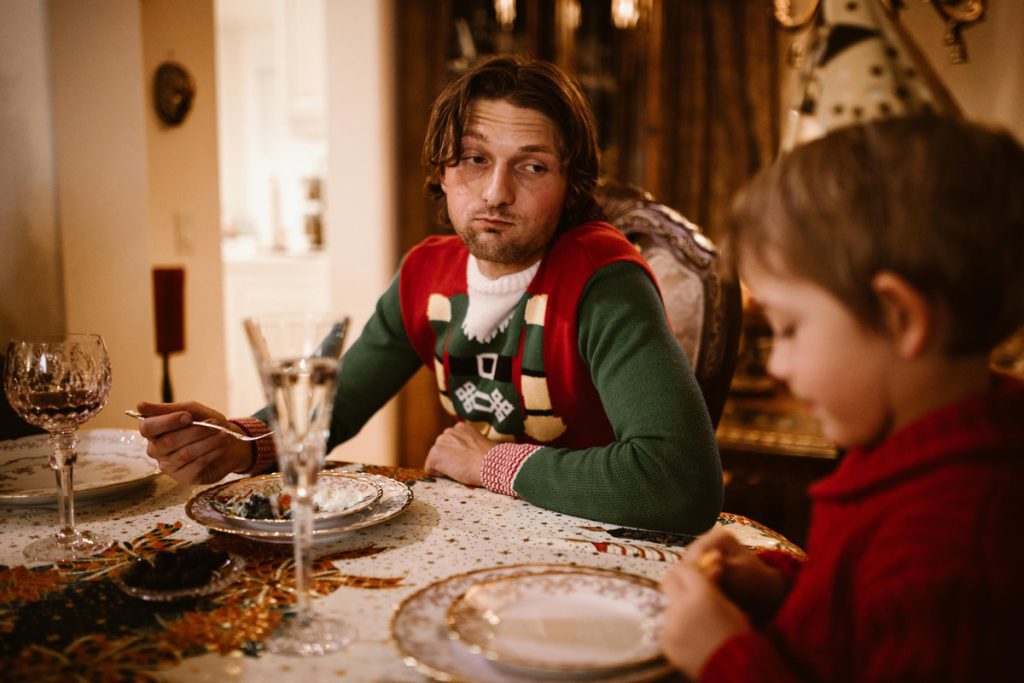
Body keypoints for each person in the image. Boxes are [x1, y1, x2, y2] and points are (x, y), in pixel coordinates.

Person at [137, 56, 722, 534]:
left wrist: (488, 462)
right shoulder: (425, 273)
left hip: (593, 542)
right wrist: (239, 443)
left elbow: (679, 482)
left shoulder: (605, 282)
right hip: (478, 534)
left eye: (534, 167)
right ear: (441, 170)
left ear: (571, 187)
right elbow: (337, 402)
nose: (496, 193)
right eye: (474, 159)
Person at [659, 115, 1024, 681]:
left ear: (899, 316)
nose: (776, 363)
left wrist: (724, 657)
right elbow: (859, 623)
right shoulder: (908, 444)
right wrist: (774, 587)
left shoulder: (955, 557)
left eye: (789, 328)